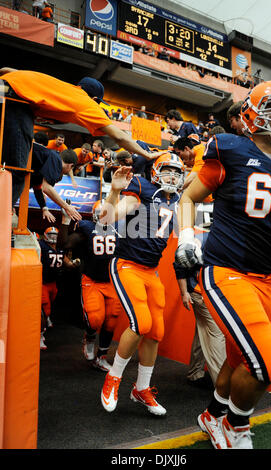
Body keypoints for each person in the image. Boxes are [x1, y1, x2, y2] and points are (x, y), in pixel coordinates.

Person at [175, 80, 271, 449]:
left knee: (238, 358)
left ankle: (213, 414)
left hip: (267, 276)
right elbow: (188, 196)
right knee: (266, 364)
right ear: (251, 114)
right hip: (225, 270)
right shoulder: (228, 149)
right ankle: (236, 428)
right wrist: (185, 238)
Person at [99, 152, 185, 415]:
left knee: (156, 331)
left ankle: (142, 388)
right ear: (155, 172)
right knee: (140, 323)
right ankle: (112, 379)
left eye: (176, 172)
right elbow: (107, 218)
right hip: (127, 264)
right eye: (167, 170)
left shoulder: (179, 199)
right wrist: (114, 192)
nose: (172, 176)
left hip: (151, 271)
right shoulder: (142, 188)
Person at [0, 69, 162, 206]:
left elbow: (5, 70)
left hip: (5, 88)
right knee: (16, 172)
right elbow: (119, 136)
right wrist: (147, 154)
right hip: (15, 102)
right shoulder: (87, 102)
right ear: (95, 100)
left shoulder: (63, 88)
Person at [58, 201, 124, 371]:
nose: (104, 215)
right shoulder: (88, 228)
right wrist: (65, 221)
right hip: (92, 280)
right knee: (95, 319)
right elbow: (65, 245)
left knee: (112, 320)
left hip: (112, 281)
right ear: (95, 214)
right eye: (100, 212)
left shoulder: (121, 229)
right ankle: (90, 336)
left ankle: (101, 357)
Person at [173, 231, 226, 388]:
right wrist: (184, 293)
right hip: (201, 294)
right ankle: (223, 387)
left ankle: (195, 373)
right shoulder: (202, 240)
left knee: (203, 330)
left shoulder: (226, 239)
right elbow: (179, 263)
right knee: (217, 335)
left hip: (210, 293)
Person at [31, 132, 81, 222]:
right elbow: (46, 187)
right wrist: (67, 207)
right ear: (70, 166)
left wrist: (44, 208)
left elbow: (38, 187)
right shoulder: (56, 160)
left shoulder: (47, 161)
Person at [39, 226, 72, 349]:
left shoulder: (60, 249)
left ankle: (46, 318)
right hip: (43, 282)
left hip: (54, 283)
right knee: (45, 308)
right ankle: (40, 336)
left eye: (55, 235)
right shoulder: (42, 246)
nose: (53, 237)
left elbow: (66, 261)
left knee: (50, 304)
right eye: (50, 234)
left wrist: (74, 263)